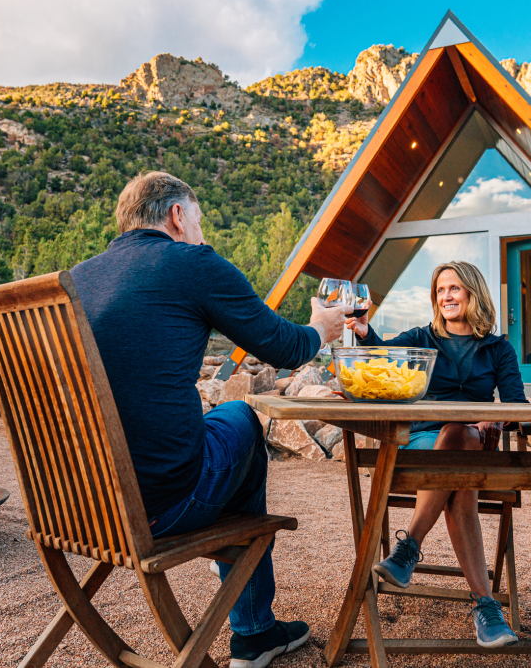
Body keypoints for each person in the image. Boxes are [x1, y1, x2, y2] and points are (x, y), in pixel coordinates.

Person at [72, 171, 350, 668]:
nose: (204, 236)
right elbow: (284, 346)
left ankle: (254, 625)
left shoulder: (78, 278)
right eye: (199, 222)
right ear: (178, 216)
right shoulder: (192, 263)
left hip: (81, 503)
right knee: (240, 417)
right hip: (161, 504)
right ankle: (253, 631)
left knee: (216, 428)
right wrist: (322, 328)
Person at [345, 261, 526, 649]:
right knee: (457, 476)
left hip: (476, 442)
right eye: (441, 290)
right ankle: (486, 607)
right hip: (423, 443)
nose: (446, 296)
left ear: (473, 294)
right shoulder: (421, 338)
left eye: (454, 289)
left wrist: (492, 419)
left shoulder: (498, 349)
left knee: (457, 435)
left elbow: (516, 406)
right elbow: (380, 357)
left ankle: (408, 548)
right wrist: (363, 330)